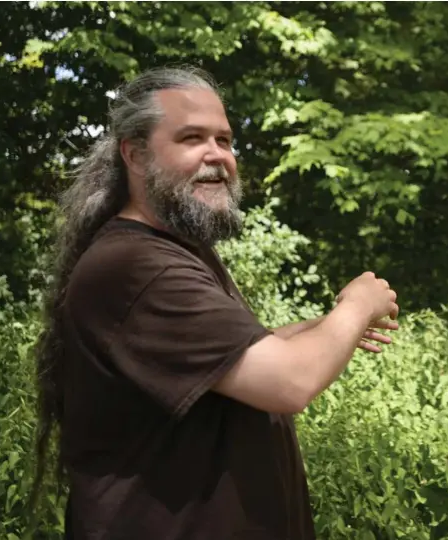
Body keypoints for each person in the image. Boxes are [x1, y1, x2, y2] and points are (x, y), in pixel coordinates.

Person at [32, 66, 399, 540]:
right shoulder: (138, 268)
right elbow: (290, 381)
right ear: (136, 155)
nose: (218, 156)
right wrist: (359, 304)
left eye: (225, 140)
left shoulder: (174, 250)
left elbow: (236, 360)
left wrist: (326, 328)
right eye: (192, 138)